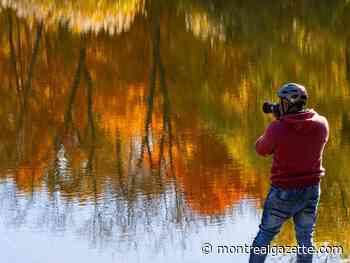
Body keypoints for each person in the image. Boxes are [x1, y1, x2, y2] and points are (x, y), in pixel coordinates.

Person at [249, 83, 329, 263]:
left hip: (282, 192)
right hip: (311, 190)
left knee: (265, 235)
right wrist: (284, 120)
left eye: (281, 101)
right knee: (305, 238)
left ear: (286, 103)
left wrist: (277, 122)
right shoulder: (322, 124)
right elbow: (304, 131)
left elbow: (260, 149)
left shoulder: (277, 128)